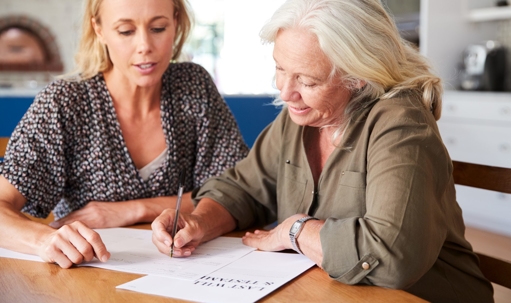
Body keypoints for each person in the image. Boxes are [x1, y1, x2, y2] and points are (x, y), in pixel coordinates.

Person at [151, 0, 494, 302]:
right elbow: (243, 189)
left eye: (307, 81)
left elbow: (392, 258)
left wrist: (297, 230)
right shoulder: (299, 118)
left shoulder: (401, 124)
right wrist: (198, 221)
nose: (285, 93)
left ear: (359, 74)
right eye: (280, 69)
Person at [0, 0, 248, 269]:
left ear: (176, 22)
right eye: (126, 31)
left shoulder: (194, 86)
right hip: (87, 280)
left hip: (188, 271)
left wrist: (135, 209)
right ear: (100, 29)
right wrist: (43, 240)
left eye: (158, 27)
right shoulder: (64, 102)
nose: (144, 46)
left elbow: (242, 192)